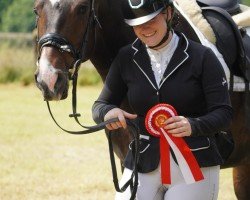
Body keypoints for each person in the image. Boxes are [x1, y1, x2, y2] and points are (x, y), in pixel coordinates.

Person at [92, 0, 233, 199]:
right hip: (142, 162)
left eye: (151, 19)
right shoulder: (126, 58)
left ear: (167, 13)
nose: (144, 28)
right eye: (136, 24)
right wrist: (108, 112)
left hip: (195, 163)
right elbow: (100, 106)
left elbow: (224, 113)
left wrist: (193, 125)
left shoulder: (202, 56)